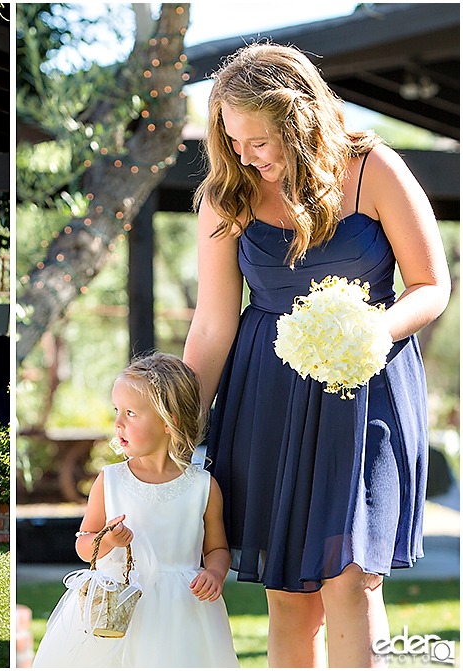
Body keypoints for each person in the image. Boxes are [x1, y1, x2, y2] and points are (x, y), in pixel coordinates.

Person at [182, 43, 451, 667]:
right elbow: (214, 325)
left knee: (352, 578)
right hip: (266, 396)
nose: (247, 156)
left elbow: (432, 285)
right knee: (290, 593)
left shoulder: (372, 168)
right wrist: (180, 422)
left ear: (301, 121)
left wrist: (378, 332)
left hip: (367, 391)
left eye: (261, 141)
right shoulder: (226, 198)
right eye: (234, 141)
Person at [32, 353, 239, 668]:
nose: (118, 423)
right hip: (118, 609)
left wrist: (214, 572)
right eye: (117, 411)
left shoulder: (203, 487)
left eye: (130, 413)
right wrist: (109, 541)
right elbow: (84, 543)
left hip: (182, 612)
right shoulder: (110, 481)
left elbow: (217, 548)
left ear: (171, 421)